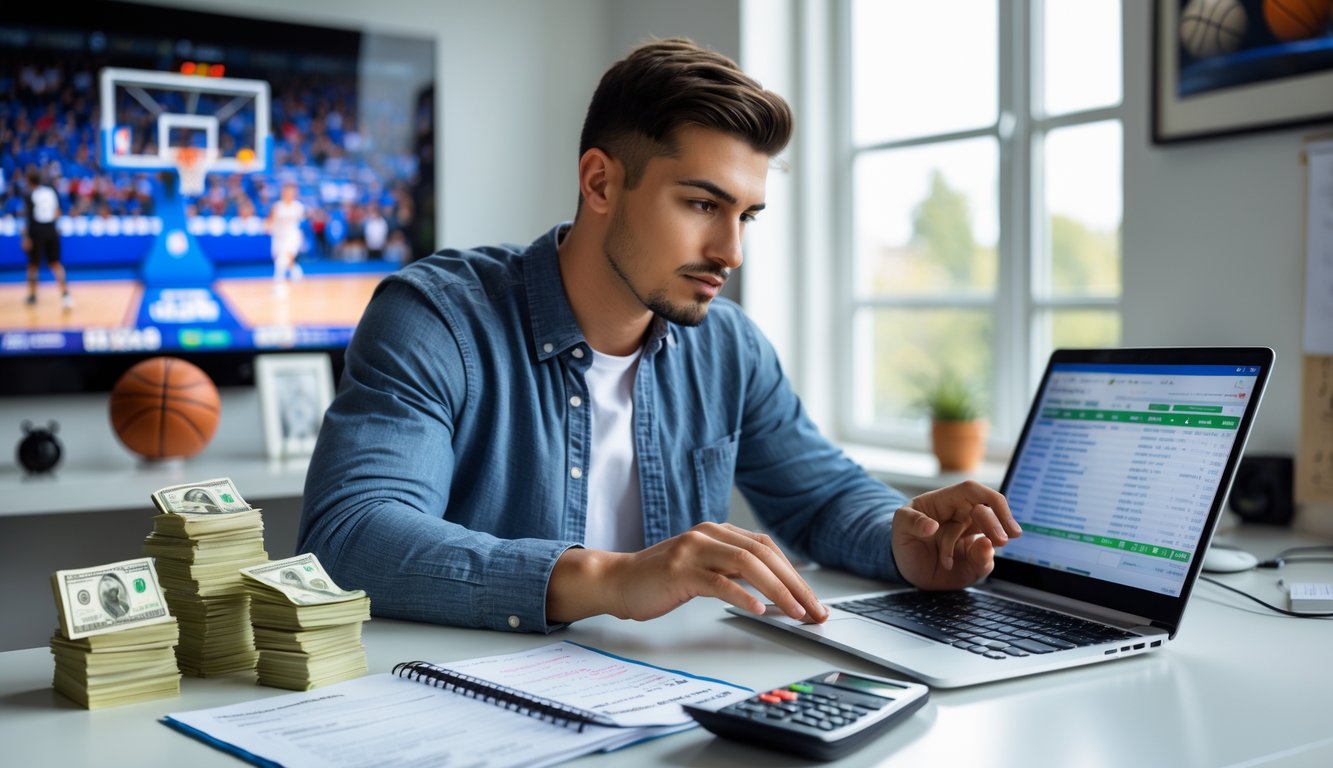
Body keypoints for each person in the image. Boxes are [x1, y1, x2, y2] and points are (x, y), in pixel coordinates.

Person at [298, 38, 1020, 635]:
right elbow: (350, 537)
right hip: (467, 702)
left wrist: (906, 543)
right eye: (702, 203)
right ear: (601, 183)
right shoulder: (437, 317)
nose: (730, 251)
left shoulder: (728, 346)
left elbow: (822, 497)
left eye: (746, 215)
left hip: (666, 698)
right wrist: (612, 576)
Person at [22, 169, 71, 309]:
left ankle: (32, 296)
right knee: (55, 263)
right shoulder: (51, 191)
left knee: (33, 265)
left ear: (29, 181)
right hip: (51, 229)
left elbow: (28, 218)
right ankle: (65, 294)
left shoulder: (30, 194)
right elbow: (58, 212)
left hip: (36, 230)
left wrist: (26, 237)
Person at [267, 181, 305, 297]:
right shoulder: (277, 206)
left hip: (292, 236)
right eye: (287, 191)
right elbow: (269, 221)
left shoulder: (298, 207)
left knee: (282, 261)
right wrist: (268, 227)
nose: (289, 194)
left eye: (291, 192)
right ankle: (296, 270)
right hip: (278, 237)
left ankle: (279, 287)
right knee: (281, 259)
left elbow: (300, 222)